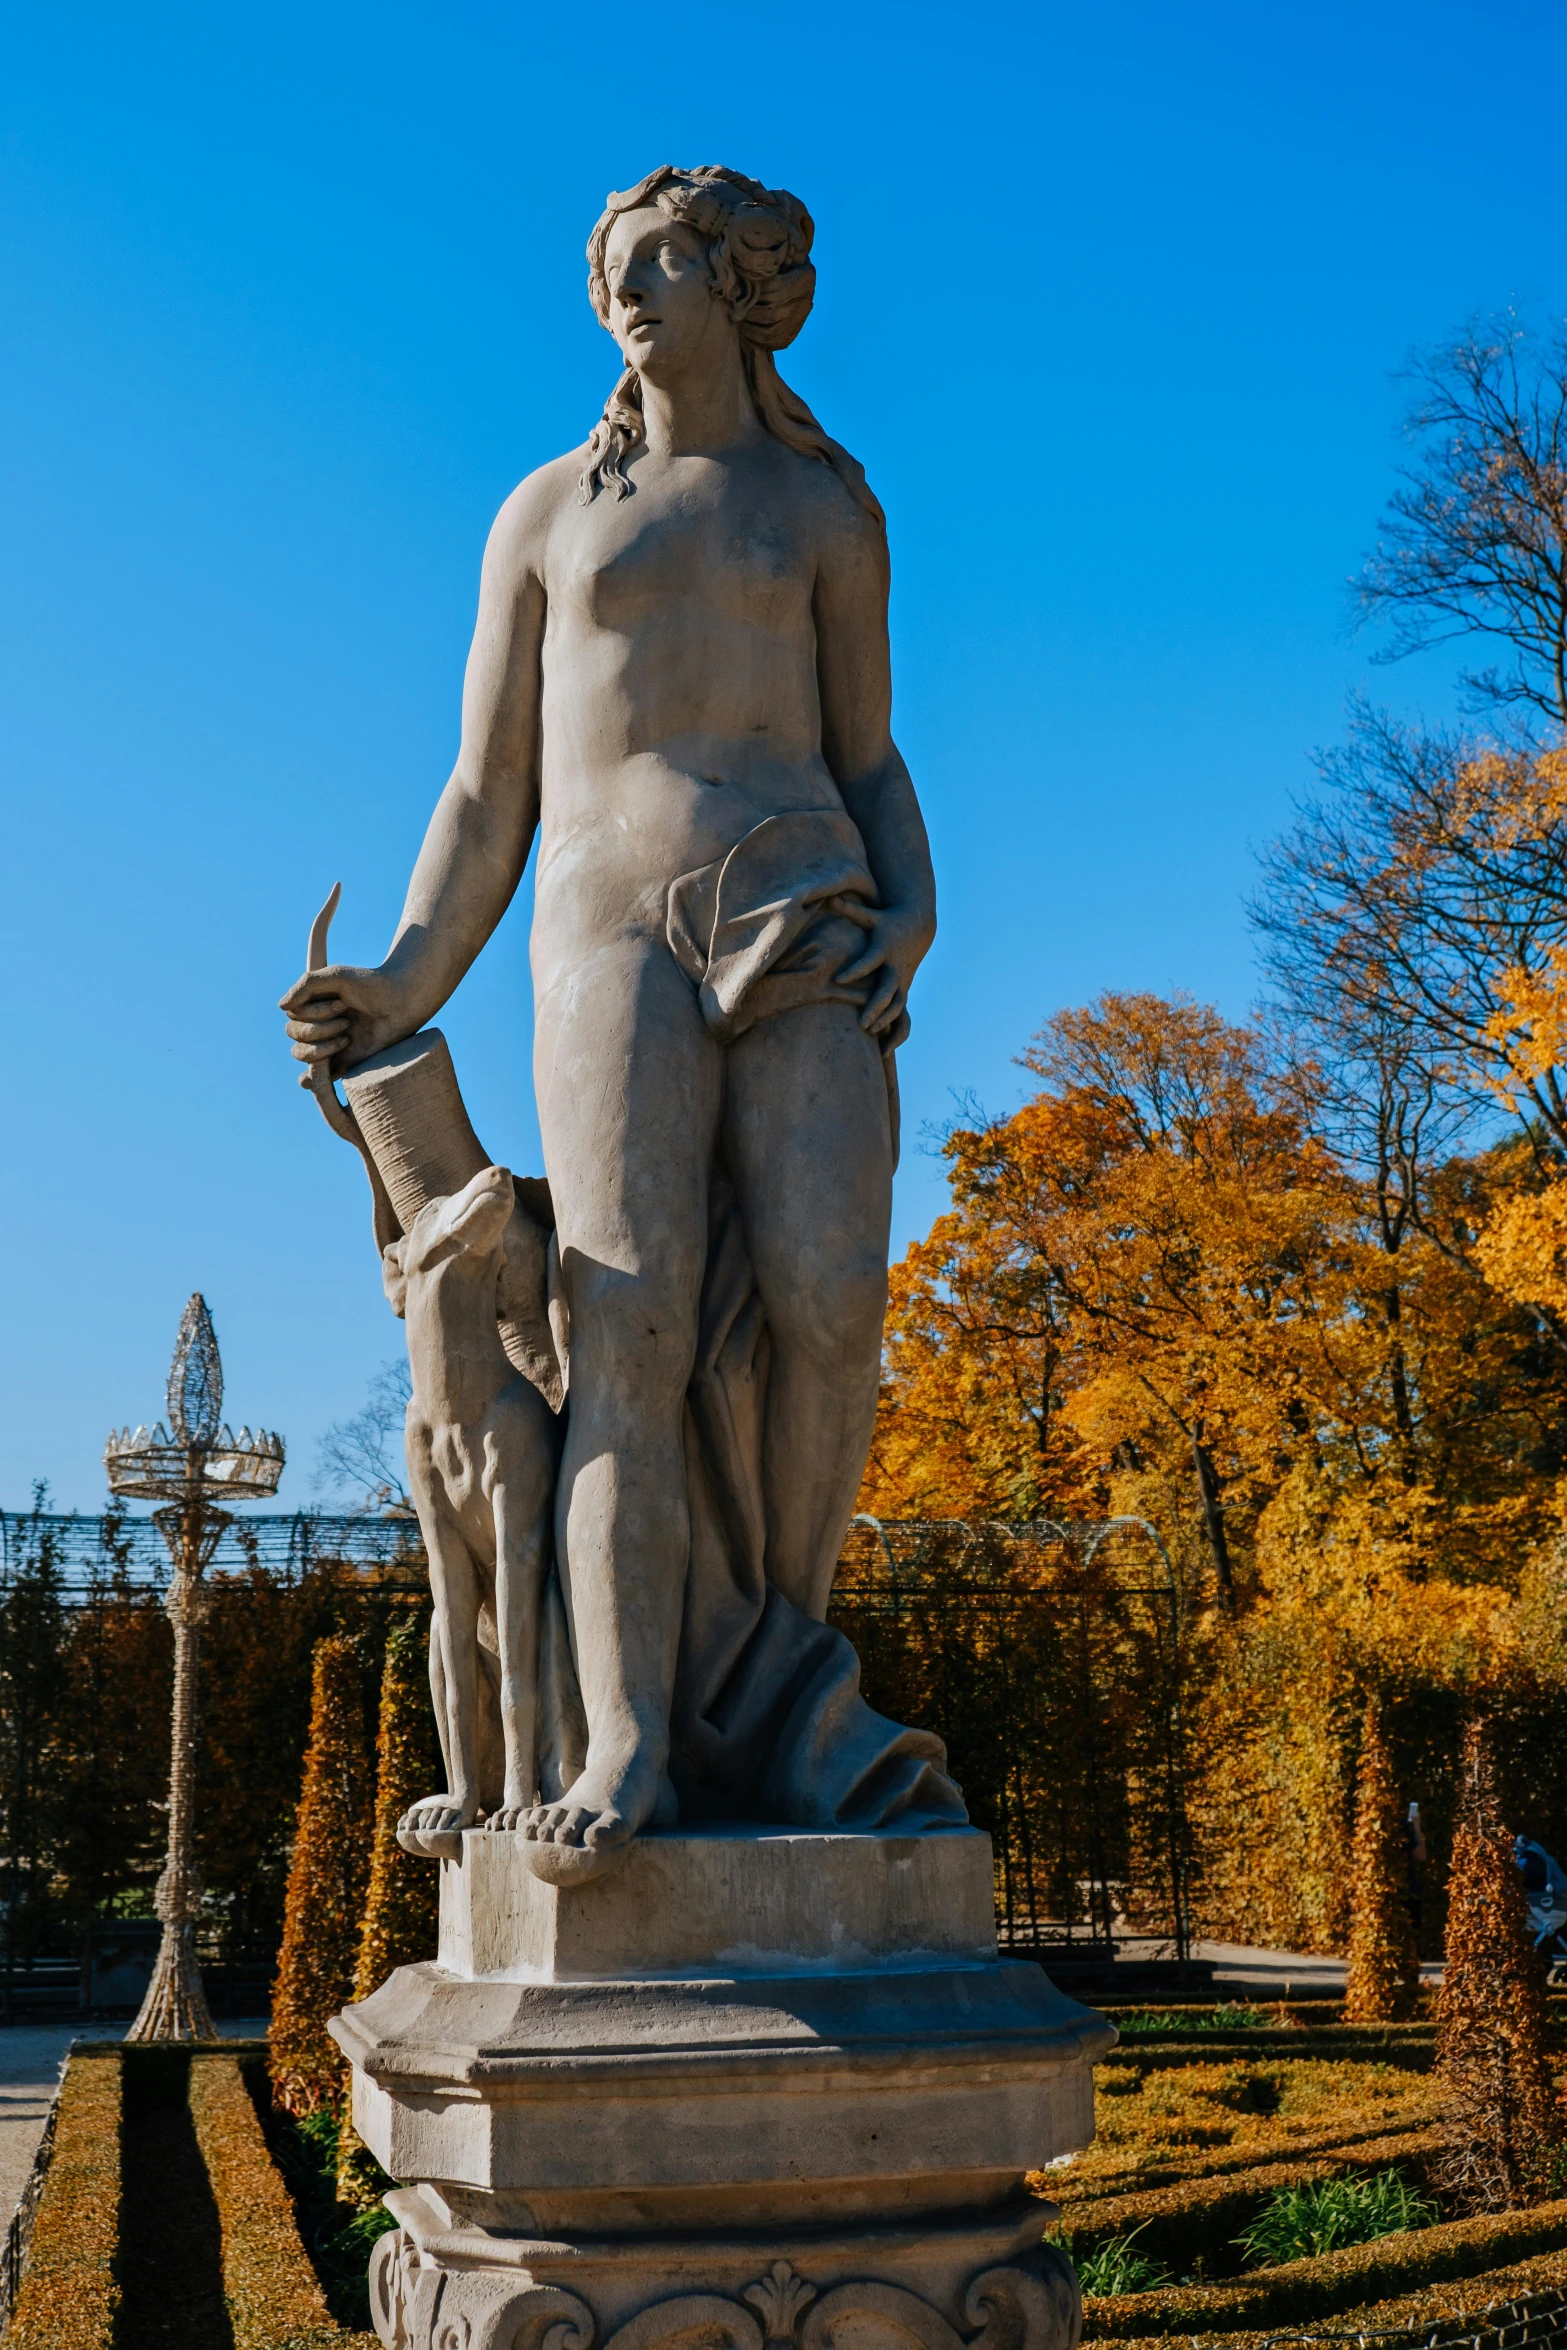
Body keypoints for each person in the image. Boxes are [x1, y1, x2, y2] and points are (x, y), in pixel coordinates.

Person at [282, 166, 953, 1876]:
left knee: (822, 1301)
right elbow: (483, 789)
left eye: (657, 258)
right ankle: (638, 1736)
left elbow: (869, 754)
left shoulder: (822, 508)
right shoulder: (541, 516)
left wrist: (920, 909)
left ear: (741, 282)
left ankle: (776, 1662)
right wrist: (405, 979)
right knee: (624, 1330)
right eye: (608, 268)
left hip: (803, 900)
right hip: (606, 931)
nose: (624, 291)